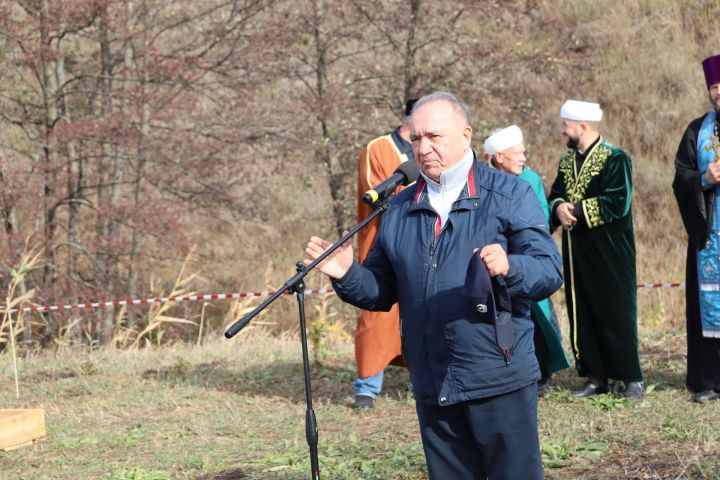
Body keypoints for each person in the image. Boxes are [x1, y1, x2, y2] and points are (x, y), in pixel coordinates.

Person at [305, 91, 562, 479]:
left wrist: (511, 266)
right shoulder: (398, 208)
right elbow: (381, 290)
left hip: (498, 377)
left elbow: (548, 269)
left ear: (466, 135)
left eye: (434, 137)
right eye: (416, 139)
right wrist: (348, 274)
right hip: (432, 379)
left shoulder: (509, 194)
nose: (423, 149)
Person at [547, 100, 644, 399]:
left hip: (612, 252)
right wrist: (558, 207)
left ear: (582, 126)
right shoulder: (566, 161)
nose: (563, 131)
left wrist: (573, 209)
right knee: (584, 311)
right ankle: (595, 376)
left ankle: (631, 378)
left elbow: (618, 202)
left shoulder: (616, 159)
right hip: (577, 252)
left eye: (566, 125)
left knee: (615, 311)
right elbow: (557, 193)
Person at [483, 125, 570, 397]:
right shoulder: (485, 181)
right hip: (496, 264)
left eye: (523, 153)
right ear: (498, 157)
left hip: (529, 262)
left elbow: (543, 217)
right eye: (516, 153)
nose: (523, 158)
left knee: (541, 321)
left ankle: (542, 375)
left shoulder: (531, 179)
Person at [352, 99, 416, 409]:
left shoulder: (433, 149)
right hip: (383, 245)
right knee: (377, 315)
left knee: (423, 312)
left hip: (422, 244)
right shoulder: (378, 148)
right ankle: (367, 386)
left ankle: (423, 378)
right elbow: (377, 192)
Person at [672, 53, 720, 404]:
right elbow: (680, 178)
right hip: (710, 238)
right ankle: (707, 380)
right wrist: (704, 177)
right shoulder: (697, 130)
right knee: (707, 305)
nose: (718, 93)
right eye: (714, 88)